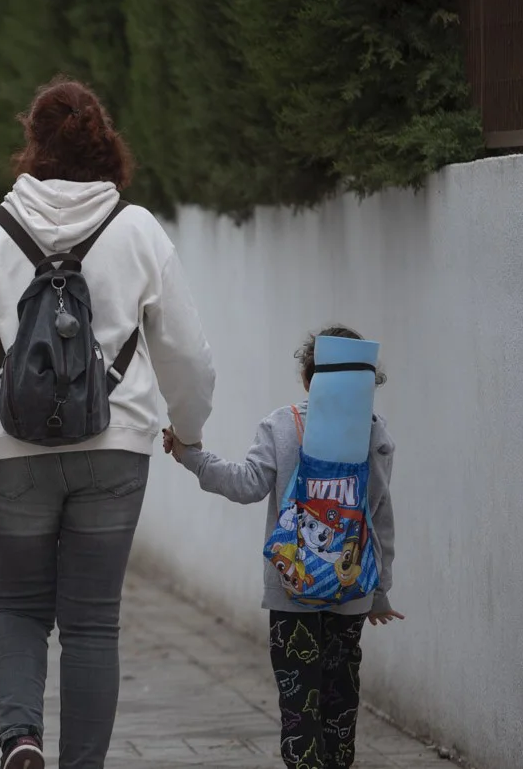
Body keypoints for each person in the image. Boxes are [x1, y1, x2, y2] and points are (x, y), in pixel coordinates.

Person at [0, 77, 216, 769]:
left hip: (9, 449)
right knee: (92, 623)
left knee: (15, 607)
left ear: (32, 141)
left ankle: (20, 737)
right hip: (113, 448)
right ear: (105, 141)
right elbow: (187, 352)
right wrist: (189, 427)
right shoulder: (139, 230)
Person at [163, 325, 402, 769]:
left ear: (308, 377)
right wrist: (380, 591)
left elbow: (244, 485)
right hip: (351, 594)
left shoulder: (282, 425)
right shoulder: (375, 433)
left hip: (292, 592)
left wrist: (190, 455)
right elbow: (379, 519)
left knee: (300, 704)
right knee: (340, 699)